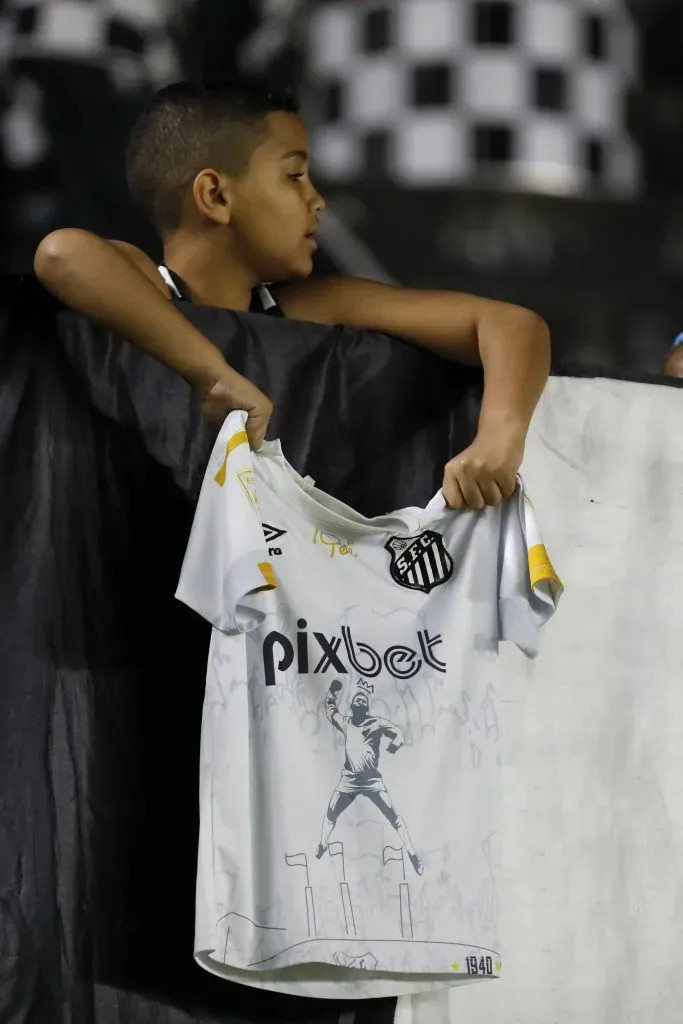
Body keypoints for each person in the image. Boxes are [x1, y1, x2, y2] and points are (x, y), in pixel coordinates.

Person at [33, 78, 551, 511]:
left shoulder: (309, 307)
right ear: (215, 196)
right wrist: (211, 374)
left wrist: (499, 440)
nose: (316, 199)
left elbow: (510, 325)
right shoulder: (147, 286)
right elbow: (61, 254)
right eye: (294, 175)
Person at [317, 679, 423, 876]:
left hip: (372, 781)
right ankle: (322, 844)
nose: (358, 702)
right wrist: (331, 691)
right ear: (351, 706)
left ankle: (412, 854)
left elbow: (397, 732)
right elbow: (331, 712)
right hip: (349, 780)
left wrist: (396, 743)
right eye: (355, 700)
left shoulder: (376, 723)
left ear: (366, 707)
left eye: (361, 701)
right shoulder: (347, 723)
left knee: (394, 817)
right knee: (331, 812)